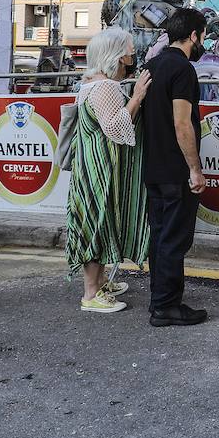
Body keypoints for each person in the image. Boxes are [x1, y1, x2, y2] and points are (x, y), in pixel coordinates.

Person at [65, 28, 152, 314]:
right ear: (115, 54)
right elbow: (115, 127)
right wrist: (137, 97)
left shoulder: (91, 82)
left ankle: (100, 281)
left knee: (97, 219)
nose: (132, 55)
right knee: (97, 221)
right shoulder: (105, 87)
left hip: (90, 163)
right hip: (98, 166)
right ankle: (91, 294)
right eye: (128, 50)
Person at [139, 8, 208, 327]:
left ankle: (159, 301)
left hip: (153, 166)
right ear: (194, 35)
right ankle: (167, 306)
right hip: (174, 170)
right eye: (203, 35)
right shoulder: (182, 70)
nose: (203, 41)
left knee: (159, 236)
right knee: (174, 239)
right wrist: (195, 168)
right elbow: (182, 124)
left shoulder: (153, 64)